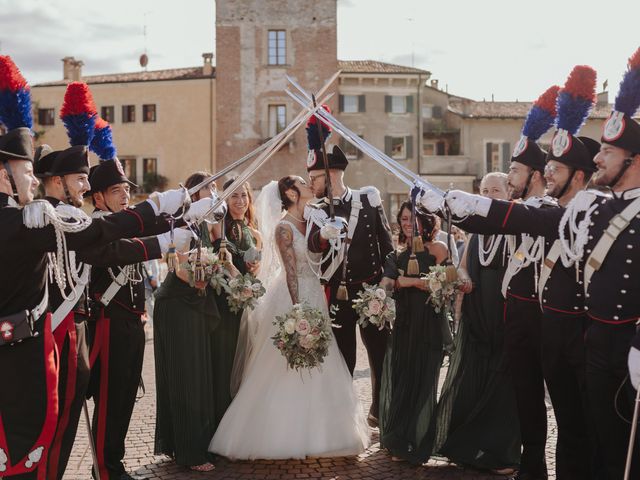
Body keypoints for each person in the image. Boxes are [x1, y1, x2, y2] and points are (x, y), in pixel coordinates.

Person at [420, 50, 640, 479]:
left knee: (611, 447)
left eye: (608, 154)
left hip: (605, 340)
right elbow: (525, 217)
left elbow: (530, 219)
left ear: (632, 160)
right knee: (582, 439)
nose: (598, 160)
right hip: (586, 341)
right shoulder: (592, 210)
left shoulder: (597, 209)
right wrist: (458, 205)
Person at [0, 56, 186, 479]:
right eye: (25, 172)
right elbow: (98, 243)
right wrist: (160, 212)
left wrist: (168, 222)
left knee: (49, 434)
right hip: (30, 344)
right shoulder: (26, 218)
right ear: (5, 175)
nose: (31, 180)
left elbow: (96, 239)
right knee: (27, 447)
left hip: (39, 341)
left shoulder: (31, 216)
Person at [209, 177, 369, 459]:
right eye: (302, 183)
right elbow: (291, 270)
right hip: (292, 298)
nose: (309, 184)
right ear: (292, 194)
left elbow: (318, 254)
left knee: (321, 359)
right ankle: (280, 433)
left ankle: (326, 432)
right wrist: (298, 311)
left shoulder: (310, 222)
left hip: (315, 295)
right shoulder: (284, 227)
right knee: (285, 362)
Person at [306, 114, 394, 427]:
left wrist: (385, 283)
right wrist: (322, 235)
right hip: (339, 293)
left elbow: (388, 248)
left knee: (380, 356)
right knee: (343, 359)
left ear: (331, 175)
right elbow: (312, 248)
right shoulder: (315, 210)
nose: (310, 184)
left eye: (315, 178)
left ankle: (380, 410)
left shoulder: (367, 199)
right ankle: (344, 419)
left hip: (371, 290)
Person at [435, 172, 521, 475]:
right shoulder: (475, 232)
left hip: (505, 315)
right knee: (476, 379)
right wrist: (465, 278)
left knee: (504, 384)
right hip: (478, 317)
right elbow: (462, 268)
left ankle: (502, 452)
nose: (488, 194)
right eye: (484, 190)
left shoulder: (516, 227)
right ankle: (471, 445)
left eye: (495, 189)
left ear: (509, 193)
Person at [154, 172, 223, 472]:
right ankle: (190, 453)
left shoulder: (203, 223)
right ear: (196, 194)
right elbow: (176, 264)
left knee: (198, 377)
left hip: (194, 303)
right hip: (177, 304)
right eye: (210, 188)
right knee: (186, 378)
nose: (214, 193)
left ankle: (191, 443)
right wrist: (201, 278)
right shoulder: (180, 221)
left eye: (216, 188)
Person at [378, 201, 448, 464]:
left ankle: (419, 440)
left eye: (413, 219)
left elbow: (444, 283)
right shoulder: (396, 254)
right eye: (404, 219)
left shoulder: (438, 249)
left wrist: (408, 281)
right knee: (403, 379)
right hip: (405, 325)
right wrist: (386, 288)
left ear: (427, 222)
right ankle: (399, 439)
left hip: (430, 324)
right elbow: (386, 282)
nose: (408, 224)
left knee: (424, 380)